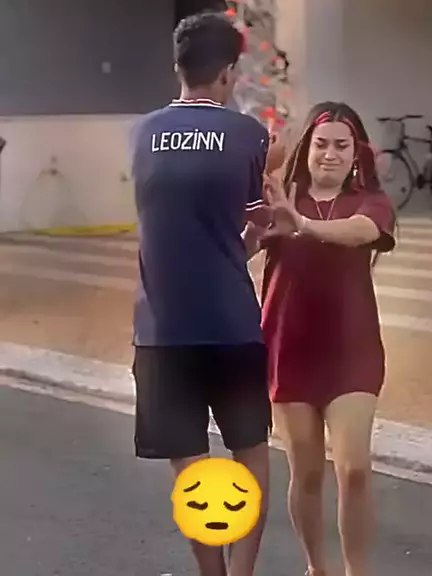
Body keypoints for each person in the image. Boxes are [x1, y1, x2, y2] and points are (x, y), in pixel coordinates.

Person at [131, 11, 273, 576]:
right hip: (232, 323)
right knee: (250, 449)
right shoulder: (249, 135)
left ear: (178, 67)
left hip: (161, 329)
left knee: (191, 468)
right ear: (229, 72)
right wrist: (255, 239)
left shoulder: (142, 134)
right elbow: (250, 228)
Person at [246, 102, 396, 576]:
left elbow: (362, 232)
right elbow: (241, 245)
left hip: (352, 352)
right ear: (306, 148)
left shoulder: (371, 201)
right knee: (306, 472)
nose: (330, 154)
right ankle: (317, 568)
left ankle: (358, 571)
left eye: (341, 146)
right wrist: (256, 217)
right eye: (321, 144)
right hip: (287, 350)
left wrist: (303, 224)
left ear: (356, 153)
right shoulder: (279, 198)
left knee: (354, 469)